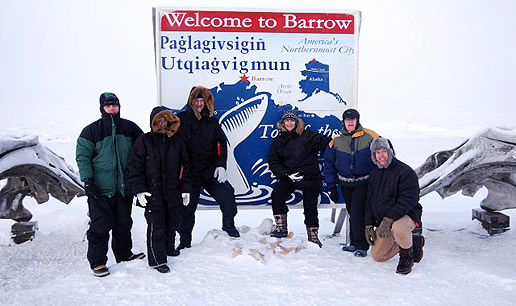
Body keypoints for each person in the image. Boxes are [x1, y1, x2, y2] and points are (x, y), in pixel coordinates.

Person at [76, 92, 145, 277]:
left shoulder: (130, 128)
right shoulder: (91, 130)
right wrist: (88, 180)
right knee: (100, 226)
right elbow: (82, 156)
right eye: (108, 105)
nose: (112, 108)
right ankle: (98, 262)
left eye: (115, 105)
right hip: (100, 189)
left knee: (124, 224)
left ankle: (124, 255)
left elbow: (143, 150)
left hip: (124, 188)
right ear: (102, 108)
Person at [128, 106, 192, 273]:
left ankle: (169, 248)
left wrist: (186, 189)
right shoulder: (144, 141)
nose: (163, 123)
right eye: (159, 120)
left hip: (173, 193)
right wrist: (139, 190)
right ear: (153, 121)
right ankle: (157, 260)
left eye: (166, 119)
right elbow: (135, 167)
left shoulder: (177, 142)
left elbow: (185, 167)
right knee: (156, 227)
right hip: (152, 193)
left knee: (173, 223)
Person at [175, 85, 239, 250]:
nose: (199, 103)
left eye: (202, 100)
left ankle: (228, 226)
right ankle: (184, 241)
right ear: (191, 101)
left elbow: (220, 144)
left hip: (209, 171)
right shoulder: (180, 120)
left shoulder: (212, 121)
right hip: (189, 174)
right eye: (196, 100)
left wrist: (220, 165)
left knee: (228, 194)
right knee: (187, 210)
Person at [268, 110, 332, 247]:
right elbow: (273, 162)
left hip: (310, 177)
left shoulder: (308, 136)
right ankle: (281, 228)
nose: (289, 123)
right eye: (287, 120)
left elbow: (324, 142)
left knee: (310, 207)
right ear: (282, 123)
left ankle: (313, 236)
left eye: (292, 120)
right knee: (277, 195)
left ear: (297, 123)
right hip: (290, 177)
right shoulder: (278, 141)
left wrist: (335, 139)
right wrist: (286, 174)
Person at [364, 137, 424, 275]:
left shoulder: (405, 171)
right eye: (377, 152)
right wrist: (368, 224)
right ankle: (410, 241)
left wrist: (389, 219)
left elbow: (410, 199)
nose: (381, 155)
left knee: (399, 228)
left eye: (384, 151)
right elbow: (369, 201)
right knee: (378, 256)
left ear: (391, 152)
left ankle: (406, 257)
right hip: (385, 221)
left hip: (406, 216)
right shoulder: (374, 174)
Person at [324, 108, 379, 257]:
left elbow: (384, 153)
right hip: (345, 184)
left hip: (364, 182)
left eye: (353, 120)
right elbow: (329, 165)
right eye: (347, 120)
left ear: (357, 121)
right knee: (351, 212)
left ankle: (362, 245)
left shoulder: (370, 136)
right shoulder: (336, 140)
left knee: (357, 212)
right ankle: (354, 242)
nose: (350, 122)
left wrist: (378, 178)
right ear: (344, 122)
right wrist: (331, 186)